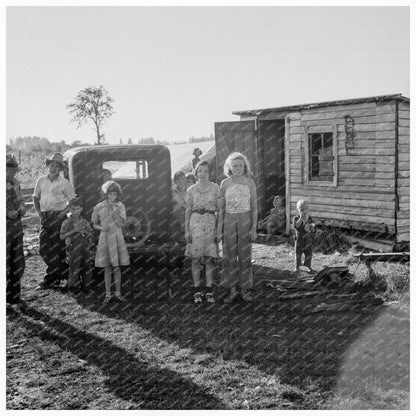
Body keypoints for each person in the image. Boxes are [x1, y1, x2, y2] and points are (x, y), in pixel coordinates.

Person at [33, 152, 76, 289]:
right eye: (52, 165)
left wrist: (63, 213)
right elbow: (35, 197)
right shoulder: (41, 180)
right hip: (45, 217)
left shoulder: (64, 183)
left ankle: (51, 279)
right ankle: (65, 273)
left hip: (59, 217)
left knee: (58, 249)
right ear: (48, 166)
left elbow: (73, 201)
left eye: (57, 166)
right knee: (44, 249)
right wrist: (40, 214)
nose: (53, 168)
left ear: (60, 169)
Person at [219, 152, 258, 303]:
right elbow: (221, 209)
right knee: (229, 256)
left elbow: (254, 206)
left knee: (245, 255)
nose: (237, 168)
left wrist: (253, 227)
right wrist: (220, 228)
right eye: (234, 165)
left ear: (245, 166)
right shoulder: (225, 184)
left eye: (240, 165)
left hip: (245, 219)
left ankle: (245, 290)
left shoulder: (250, 183)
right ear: (229, 167)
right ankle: (232, 290)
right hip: (229, 219)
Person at [185, 161, 224, 304]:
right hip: (194, 224)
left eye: (205, 171)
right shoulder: (191, 190)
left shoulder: (216, 189)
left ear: (210, 173)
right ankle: (196, 290)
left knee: (209, 258)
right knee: (195, 258)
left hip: (210, 223)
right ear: (196, 173)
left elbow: (220, 211)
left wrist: (219, 230)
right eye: (199, 171)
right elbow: (188, 210)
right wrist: (186, 230)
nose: (202, 174)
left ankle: (209, 289)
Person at [92, 180, 130, 305]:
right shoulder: (98, 207)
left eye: (114, 194)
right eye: (109, 194)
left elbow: (121, 223)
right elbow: (94, 224)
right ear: (105, 194)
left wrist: (114, 211)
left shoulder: (120, 206)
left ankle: (118, 293)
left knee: (117, 266)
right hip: (105, 237)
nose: (111, 197)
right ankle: (108, 294)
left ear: (117, 194)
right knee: (107, 267)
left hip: (117, 236)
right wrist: (101, 228)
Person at [60, 196, 94, 293]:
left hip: (85, 247)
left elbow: (91, 233)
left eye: (78, 209)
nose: (76, 211)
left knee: (87, 266)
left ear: (82, 209)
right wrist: (74, 231)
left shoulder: (84, 221)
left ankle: (86, 286)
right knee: (74, 266)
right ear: (70, 209)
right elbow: (62, 236)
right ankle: (73, 288)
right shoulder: (66, 222)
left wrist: (84, 231)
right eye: (73, 209)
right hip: (73, 248)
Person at [6, 153, 27, 310]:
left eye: (13, 171)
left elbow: (21, 199)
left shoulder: (16, 183)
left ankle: (14, 297)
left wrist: (22, 208)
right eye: (8, 170)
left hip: (16, 228)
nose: (11, 173)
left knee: (17, 262)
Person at [293, 199, 316, 274]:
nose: (303, 211)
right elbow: (296, 226)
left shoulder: (309, 218)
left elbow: (313, 230)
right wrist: (300, 219)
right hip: (299, 240)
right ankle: (297, 267)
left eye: (305, 209)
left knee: (309, 254)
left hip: (308, 240)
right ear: (297, 210)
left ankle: (308, 266)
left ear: (308, 210)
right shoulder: (296, 218)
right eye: (301, 209)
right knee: (298, 255)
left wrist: (312, 227)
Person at [171, 171, 187, 244]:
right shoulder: (173, 191)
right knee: (179, 209)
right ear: (175, 182)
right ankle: (183, 232)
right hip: (178, 214)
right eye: (178, 180)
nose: (181, 181)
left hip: (189, 212)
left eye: (183, 179)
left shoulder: (190, 190)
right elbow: (180, 202)